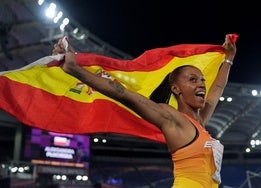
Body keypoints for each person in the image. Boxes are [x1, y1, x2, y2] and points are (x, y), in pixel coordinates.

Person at [52, 34, 236, 188]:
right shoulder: (171, 117)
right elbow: (125, 95)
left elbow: (217, 87)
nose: (202, 84)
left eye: (202, 80)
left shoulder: (200, 122)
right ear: (176, 89)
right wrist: (74, 69)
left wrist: (228, 58)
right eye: (193, 80)